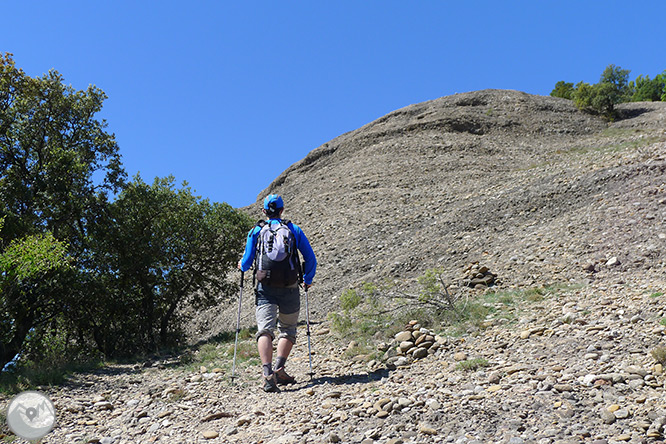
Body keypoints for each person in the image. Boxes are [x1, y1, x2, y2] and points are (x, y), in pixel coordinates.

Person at [238, 194, 317, 392]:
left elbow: (246, 264)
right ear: (282, 210)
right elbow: (311, 259)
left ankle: (267, 375)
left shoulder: (257, 230)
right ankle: (279, 369)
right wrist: (307, 280)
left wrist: (242, 265)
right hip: (290, 287)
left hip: (265, 288)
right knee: (288, 330)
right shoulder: (293, 229)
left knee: (265, 330)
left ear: (264, 211)